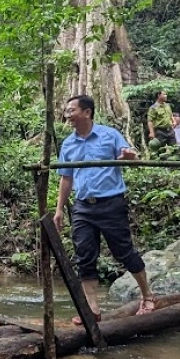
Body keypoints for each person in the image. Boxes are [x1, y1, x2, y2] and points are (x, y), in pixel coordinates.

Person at [53, 94, 156, 322]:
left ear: (87, 112)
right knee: (84, 256)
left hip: (111, 204)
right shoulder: (68, 143)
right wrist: (59, 209)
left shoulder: (110, 135)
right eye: (67, 111)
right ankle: (93, 309)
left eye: (72, 110)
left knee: (124, 252)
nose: (67, 115)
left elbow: (132, 158)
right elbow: (66, 178)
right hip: (82, 207)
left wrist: (130, 157)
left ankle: (147, 296)